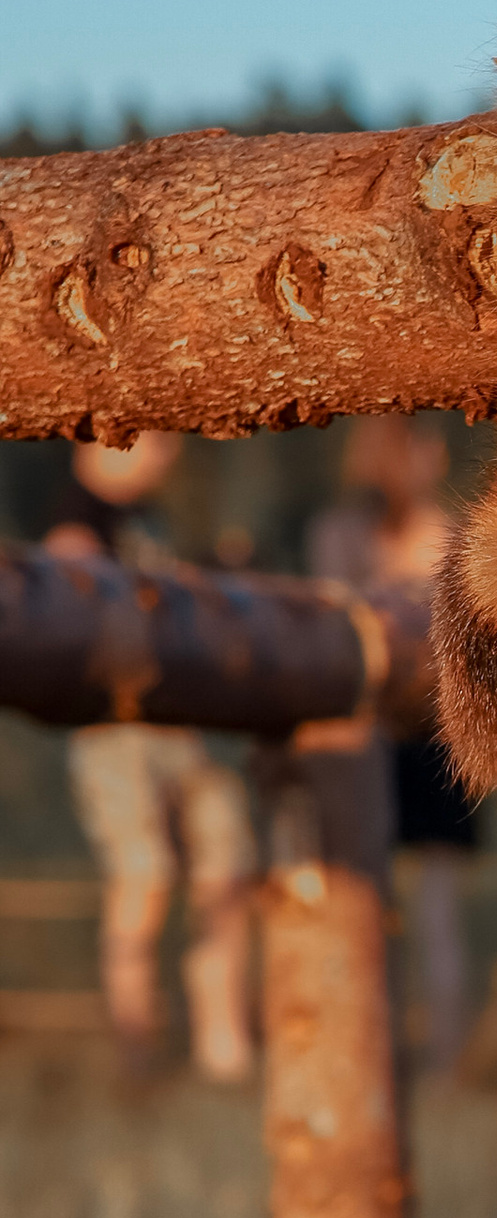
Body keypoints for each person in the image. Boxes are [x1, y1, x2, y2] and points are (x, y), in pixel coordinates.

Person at [48, 436, 258, 1082]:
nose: (167, 446)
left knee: (223, 878)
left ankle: (225, 1052)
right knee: (145, 882)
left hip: (187, 727)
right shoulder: (74, 523)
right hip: (115, 733)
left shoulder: (159, 515)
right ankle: (135, 1057)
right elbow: (85, 618)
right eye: (149, 434)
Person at [309, 416, 482, 1070]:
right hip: (373, 737)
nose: (437, 453)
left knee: (428, 910)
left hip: (430, 734)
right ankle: (386, 1050)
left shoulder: (441, 529)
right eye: (424, 441)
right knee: (372, 901)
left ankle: (442, 1058)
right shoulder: (357, 532)